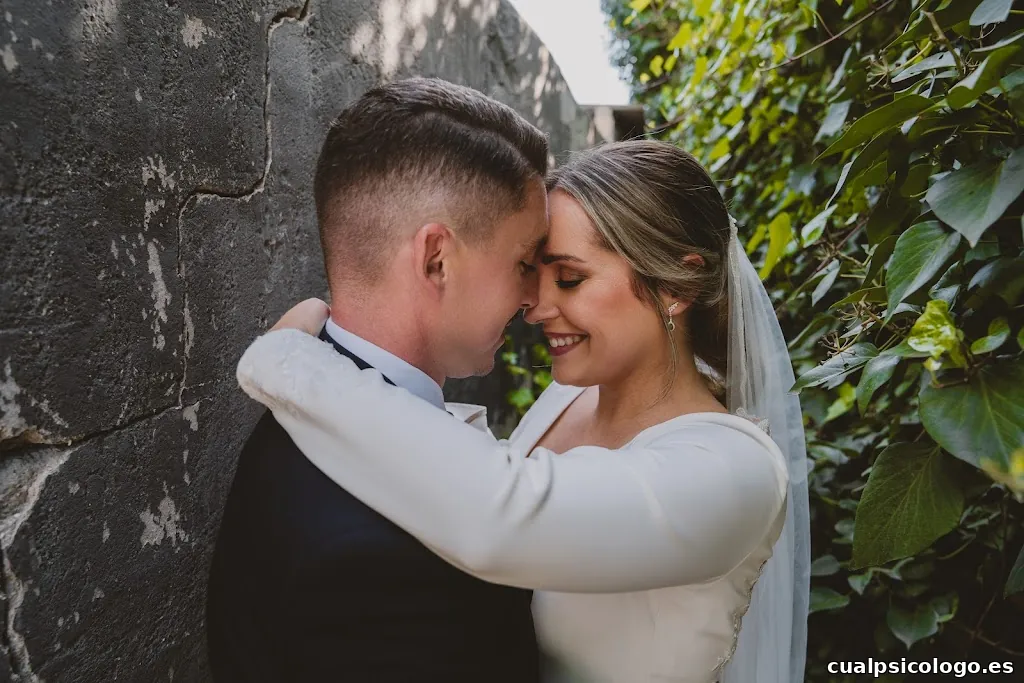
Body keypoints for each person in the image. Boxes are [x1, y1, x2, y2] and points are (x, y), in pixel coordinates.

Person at [236, 140, 811, 683]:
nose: (533, 306)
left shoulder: (736, 471)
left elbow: (501, 515)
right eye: (532, 273)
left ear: (673, 286)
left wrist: (288, 360)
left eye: (570, 278)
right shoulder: (570, 395)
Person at [205, 77, 551, 682]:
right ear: (435, 259)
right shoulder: (377, 561)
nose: (534, 296)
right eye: (524, 263)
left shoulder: (300, 402)